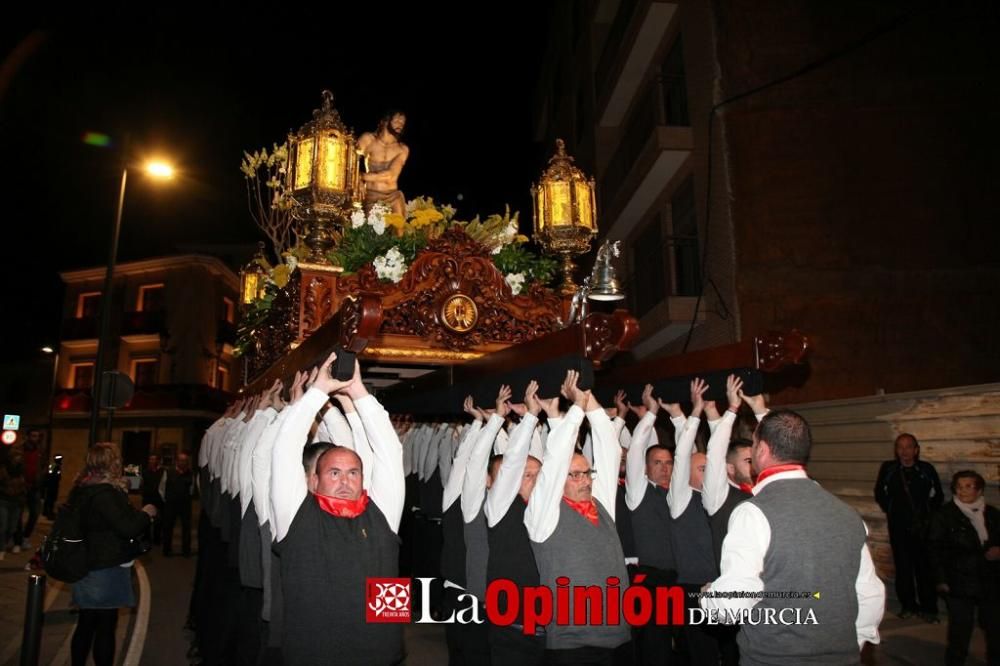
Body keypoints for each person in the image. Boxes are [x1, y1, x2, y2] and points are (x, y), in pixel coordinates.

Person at [701, 410, 885, 664]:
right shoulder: (847, 513)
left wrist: (709, 598)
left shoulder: (752, 513)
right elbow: (870, 594)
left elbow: (733, 602)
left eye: (753, 444)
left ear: (762, 450)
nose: (753, 451)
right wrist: (851, 645)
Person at [270, 353, 405, 666]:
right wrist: (317, 393)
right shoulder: (296, 516)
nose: (345, 481)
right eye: (334, 473)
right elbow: (284, 447)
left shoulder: (382, 513)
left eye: (353, 473)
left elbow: (390, 450)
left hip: (381, 656)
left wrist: (359, 393)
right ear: (313, 480)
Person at [525, 370, 631, 664]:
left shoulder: (601, 505)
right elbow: (556, 457)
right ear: (559, 478)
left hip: (619, 637)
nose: (584, 480)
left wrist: (590, 402)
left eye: (587, 473)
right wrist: (574, 410)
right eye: (574, 475)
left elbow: (609, 450)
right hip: (573, 645)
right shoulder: (544, 514)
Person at [69, 442, 157, 666]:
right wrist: (146, 514)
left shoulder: (81, 488)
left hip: (84, 563)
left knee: (86, 623)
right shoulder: (105, 493)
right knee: (106, 626)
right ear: (112, 462)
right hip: (105, 567)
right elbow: (126, 527)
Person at [927, 470, 1000, 666]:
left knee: (995, 628)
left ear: (979, 490)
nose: (963, 491)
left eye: (968, 486)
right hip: (958, 580)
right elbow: (934, 549)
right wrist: (941, 580)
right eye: (959, 487)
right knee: (960, 630)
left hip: (990, 580)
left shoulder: (992, 514)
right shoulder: (945, 515)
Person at [874, 432, 943, 621]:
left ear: (916, 449)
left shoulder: (926, 469)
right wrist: (893, 511)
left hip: (923, 529)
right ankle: (908, 606)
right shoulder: (889, 469)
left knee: (925, 570)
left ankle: (929, 609)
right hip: (899, 528)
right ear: (896, 450)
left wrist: (927, 516)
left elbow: (938, 495)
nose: (905, 451)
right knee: (903, 569)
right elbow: (880, 493)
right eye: (900, 447)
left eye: (909, 447)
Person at [357, 110, 410, 216]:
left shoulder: (402, 149)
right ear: (386, 121)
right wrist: (357, 181)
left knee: (398, 229)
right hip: (371, 195)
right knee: (370, 229)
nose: (400, 125)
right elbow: (350, 159)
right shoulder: (368, 140)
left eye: (402, 123)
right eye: (397, 121)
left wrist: (361, 176)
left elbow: (390, 175)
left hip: (392, 197)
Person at [161, 453, 194, 557]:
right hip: (171, 504)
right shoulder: (168, 472)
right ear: (177, 461)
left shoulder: (190, 473)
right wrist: (166, 499)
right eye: (181, 460)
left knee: (186, 527)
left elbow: (192, 489)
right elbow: (162, 487)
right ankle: (166, 550)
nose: (183, 463)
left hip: (185, 504)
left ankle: (186, 551)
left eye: (185, 461)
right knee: (168, 527)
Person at [140, 454, 164, 544]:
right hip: (147, 498)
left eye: (153, 459)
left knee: (158, 520)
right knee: (146, 519)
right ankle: (147, 538)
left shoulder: (162, 472)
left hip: (158, 499)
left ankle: (157, 538)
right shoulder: (145, 472)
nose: (151, 461)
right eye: (150, 459)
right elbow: (142, 484)